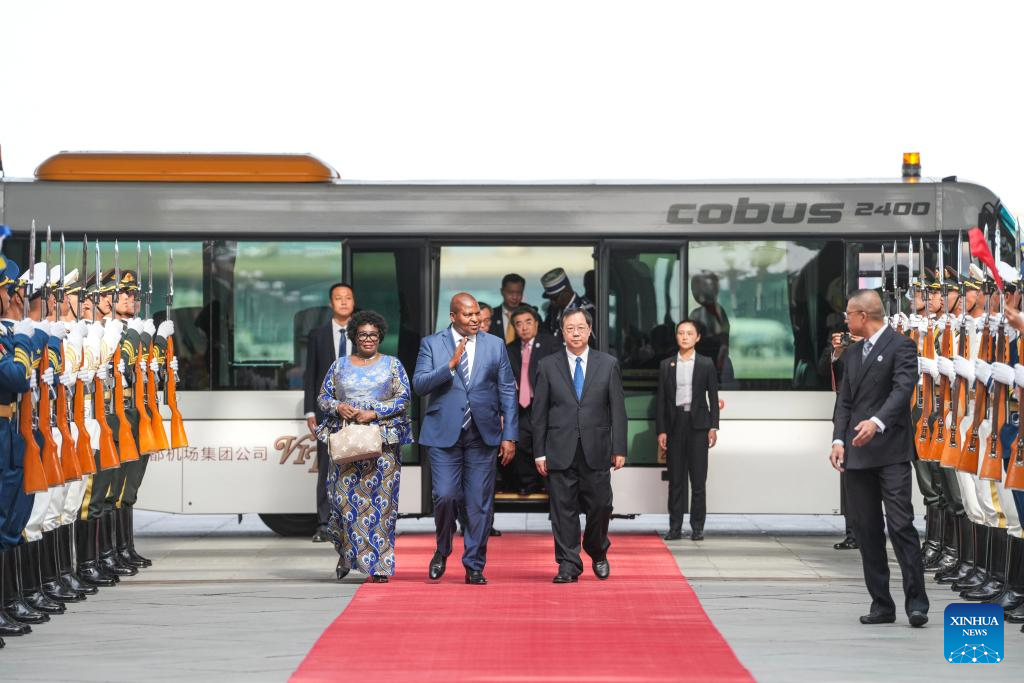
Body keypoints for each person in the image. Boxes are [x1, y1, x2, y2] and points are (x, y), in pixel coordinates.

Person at [830, 289, 928, 627]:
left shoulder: (902, 346)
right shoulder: (853, 354)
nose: (845, 320)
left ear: (863, 315)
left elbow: (902, 391)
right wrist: (838, 440)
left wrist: (877, 422)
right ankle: (881, 604)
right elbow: (844, 401)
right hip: (857, 453)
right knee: (867, 530)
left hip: (890, 452)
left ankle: (917, 602)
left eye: (848, 314)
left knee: (901, 525)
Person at [413, 293, 517, 585]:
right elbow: (419, 385)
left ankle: (474, 564)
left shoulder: (494, 344)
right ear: (453, 316)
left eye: (477, 314)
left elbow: (507, 389)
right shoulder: (431, 344)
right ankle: (443, 548)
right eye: (468, 315)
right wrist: (448, 366)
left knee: (478, 503)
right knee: (445, 496)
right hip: (443, 433)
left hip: (483, 434)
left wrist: (509, 435)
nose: (475, 319)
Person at [315, 310, 411, 583]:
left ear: (380, 336)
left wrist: (375, 412)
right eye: (362, 335)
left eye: (373, 335)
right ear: (354, 337)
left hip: (383, 443)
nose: (368, 339)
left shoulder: (393, 365)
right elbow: (323, 397)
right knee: (342, 503)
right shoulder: (339, 365)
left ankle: (379, 565)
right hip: (347, 442)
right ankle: (347, 553)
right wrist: (338, 407)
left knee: (382, 505)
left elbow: (403, 398)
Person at [532, 308, 626, 583]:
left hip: (597, 448)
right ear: (562, 332)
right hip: (559, 448)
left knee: (601, 506)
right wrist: (539, 452)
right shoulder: (547, 365)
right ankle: (568, 563)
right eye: (570, 328)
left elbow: (618, 410)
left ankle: (597, 550)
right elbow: (539, 413)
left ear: (590, 330)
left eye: (580, 328)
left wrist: (619, 448)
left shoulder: (607, 364)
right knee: (563, 510)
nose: (575, 333)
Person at [656, 320, 719, 542]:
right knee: (676, 481)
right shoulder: (666, 365)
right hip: (675, 425)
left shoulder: (706, 364)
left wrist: (713, 427)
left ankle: (697, 527)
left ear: (698, 337)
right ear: (676, 337)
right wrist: (661, 431)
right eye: (681, 333)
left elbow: (713, 397)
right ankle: (674, 527)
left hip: (699, 425)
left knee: (698, 481)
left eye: (689, 333)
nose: (685, 337)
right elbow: (661, 401)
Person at [303, 283, 355, 543]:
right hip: (327, 412)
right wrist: (309, 411)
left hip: (357, 412)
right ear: (331, 303)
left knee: (356, 466)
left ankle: (352, 521)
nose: (344, 302)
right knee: (326, 467)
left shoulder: (363, 333)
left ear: (354, 302)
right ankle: (323, 523)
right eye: (338, 298)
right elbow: (310, 374)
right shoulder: (318, 335)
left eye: (348, 298)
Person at [505, 305, 559, 495]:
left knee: (546, 446)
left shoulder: (551, 344)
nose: (524, 327)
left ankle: (550, 487)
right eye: (519, 324)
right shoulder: (510, 349)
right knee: (521, 445)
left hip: (545, 406)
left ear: (536, 323)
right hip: (521, 408)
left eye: (528, 322)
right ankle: (528, 484)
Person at [827, 328, 861, 550]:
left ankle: (869, 531)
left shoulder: (881, 341)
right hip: (846, 417)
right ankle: (852, 533)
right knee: (848, 479)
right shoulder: (841, 341)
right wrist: (837, 352)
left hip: (873, 418)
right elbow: (823, 371)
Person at [540, 268, 596, 343]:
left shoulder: (588, 311)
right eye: (550, 299)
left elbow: (595, 344)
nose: (552, 302)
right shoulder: (553, 311)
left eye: (555, 298)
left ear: (566, 293)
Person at [492, 274, 526, 344]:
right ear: (502, 291)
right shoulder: (491, 316)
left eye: (519, 293)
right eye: (510, 292)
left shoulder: (531, 315)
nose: (515, 297)